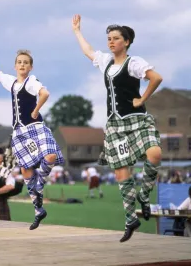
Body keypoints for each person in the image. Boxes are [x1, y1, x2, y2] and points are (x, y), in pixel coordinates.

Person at [72, 15, 162, 242]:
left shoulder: (134, 63)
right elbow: (88, 51)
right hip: (114, 124)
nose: (111, 42)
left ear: (127, 42)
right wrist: (77, 32)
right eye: (109, 39)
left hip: (137, 120)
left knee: (155, 153)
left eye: (116, 38)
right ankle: (131, 218)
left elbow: (156, 78)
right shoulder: (105, 62)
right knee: (122, 172)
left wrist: (142, 99)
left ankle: (144, 193)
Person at [0, 41, 64, 229]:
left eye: (26, 62)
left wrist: (35, 110)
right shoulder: (11, 82)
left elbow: (45, 93)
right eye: (19, 62)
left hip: (35, 127)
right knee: (26, 170)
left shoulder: (31, 81)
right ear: (15, 65)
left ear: (31, 66)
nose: (22, 65)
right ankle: (38, 209)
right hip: (19, 131)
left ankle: (40, 183)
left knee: (49, 156)